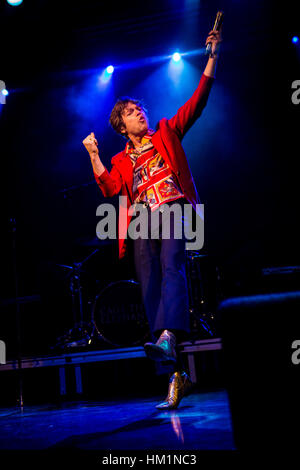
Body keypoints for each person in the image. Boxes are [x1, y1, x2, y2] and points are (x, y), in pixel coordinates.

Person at [83, 28, 222, 409]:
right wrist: (94, 154)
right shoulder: (119, 159)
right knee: (148, 284)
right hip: (142, 219)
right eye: (130, 113)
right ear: (121, 127)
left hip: (171, 208)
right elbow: (111, 189)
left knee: (172, 267)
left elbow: (198, 101)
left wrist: (212, 56)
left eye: (138, 109)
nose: (138, 113)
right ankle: (175, 372)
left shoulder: (166, 131)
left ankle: (167, 338)